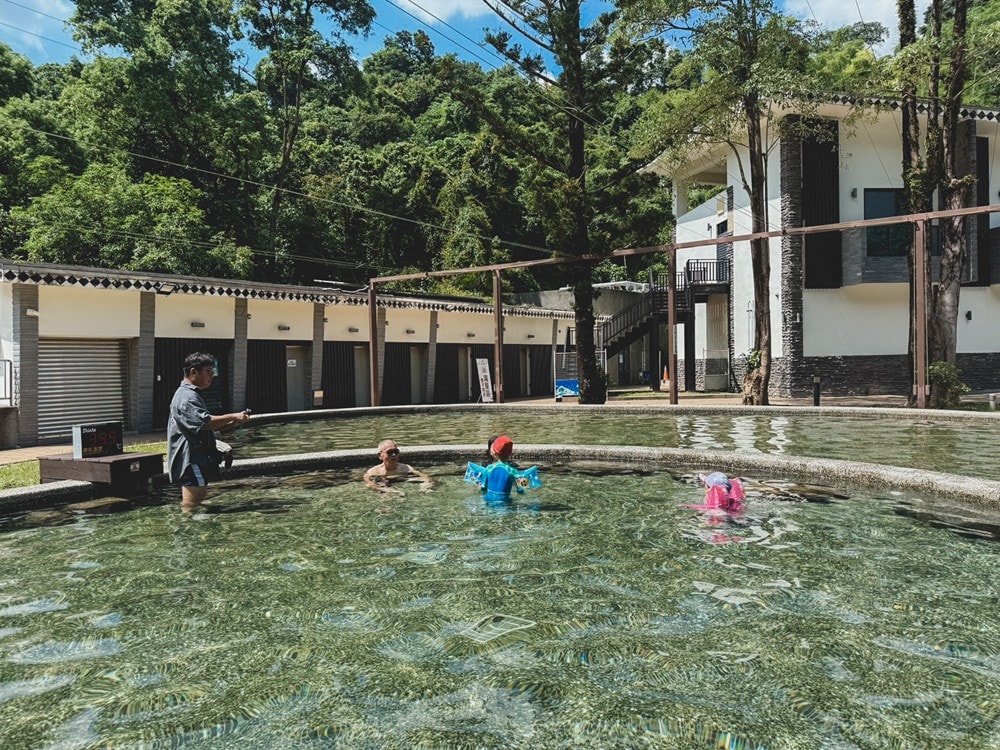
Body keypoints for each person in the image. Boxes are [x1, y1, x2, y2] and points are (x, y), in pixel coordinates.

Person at [167, 352, 250, 512]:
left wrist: (233, 422)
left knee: (195, 505)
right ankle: (190, 532)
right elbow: (205, 422)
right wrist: (233, 415)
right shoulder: (186, 397)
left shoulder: (191, 394)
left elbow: (206, 428)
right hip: (190, 459)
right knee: (192, 506)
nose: (212, 376)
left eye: (213, 372)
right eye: (208, 372)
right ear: (193, 372)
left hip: (196, 458)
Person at [465, 435, 541, 501]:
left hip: (489, 499)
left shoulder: (489, 468)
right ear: (510, 453)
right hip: (505, 501)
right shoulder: (512, 471)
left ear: (494, 451)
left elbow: (483, 487)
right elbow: (520, 490)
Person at [363, 439, 433, 493]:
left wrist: (425, 486)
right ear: (380, 455)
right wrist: (391, 491)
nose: (394, 455)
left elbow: (425, 477)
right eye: (390, 452)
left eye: (396, 452)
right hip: (385, 486)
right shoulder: (373, 471)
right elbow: (369, 483)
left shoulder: (406, 468)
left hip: (403, 481)